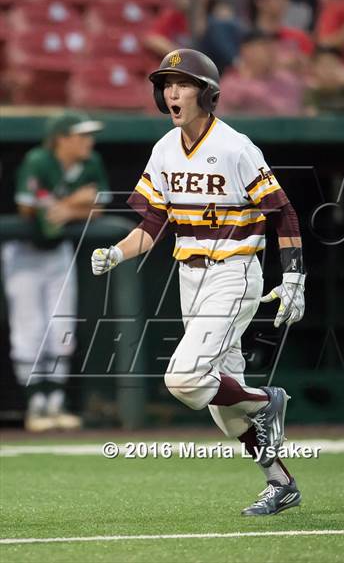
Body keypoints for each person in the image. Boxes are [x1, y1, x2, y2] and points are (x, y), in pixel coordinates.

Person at [91, 49, 306, 516]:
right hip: (191, 275)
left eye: (183, 83)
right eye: (166, 83)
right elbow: (151, 225)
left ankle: (268, 400)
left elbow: (282, 210)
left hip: (234, 272)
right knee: (223, 410)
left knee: (185, 378)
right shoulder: (165, 148)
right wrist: (116, 253)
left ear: (206, 93)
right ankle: (280, 481)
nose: (172, 91)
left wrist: (294, 277)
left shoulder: (235, 146)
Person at [1, 111, 110, 432]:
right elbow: (27, 207)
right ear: (62, 138)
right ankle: (36, 406)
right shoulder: (38, 160)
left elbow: (100, 205)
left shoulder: (91, 163)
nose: (88, 141)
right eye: (81, 135)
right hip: (23, 251)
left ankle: (55, 403)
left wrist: (63, 208)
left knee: (62, 329)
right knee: (29, 330)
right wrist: (75, 201)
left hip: (58, 251)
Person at [219, 29, 304, 115]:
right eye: (264, 46)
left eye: (272, 46)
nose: (271, 51)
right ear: (246, 51)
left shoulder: (288, 81)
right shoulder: (230, 85)